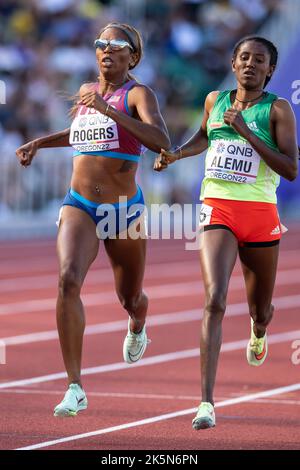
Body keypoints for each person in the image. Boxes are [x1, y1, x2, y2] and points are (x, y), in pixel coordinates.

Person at [16, 22, 170, 417]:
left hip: (124, 211)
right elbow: (80, 133)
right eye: (100, 43)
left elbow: (161, 142)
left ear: (132, 57)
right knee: (67, 279)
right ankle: (75, 386)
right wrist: (40, 143)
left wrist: (109, 111)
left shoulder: (138, 94)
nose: (105, 49)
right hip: (79, 204)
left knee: (129, 297)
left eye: (115, 45)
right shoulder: (87, 92)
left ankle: (138, 323)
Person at [154, 36, 298, 429]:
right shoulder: (214, 100)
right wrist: (178, 153)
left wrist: (248, 133)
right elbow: (205, 136)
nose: (251, 64)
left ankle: (259, 330)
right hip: (217, 207)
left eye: (260, 60)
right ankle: (206, 403)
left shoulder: (278, 109)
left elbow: (290, 168)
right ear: (233, 63)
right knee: (214, 299)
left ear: (270, 70)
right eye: (245, 58)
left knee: (260, 309)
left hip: (260, 213)